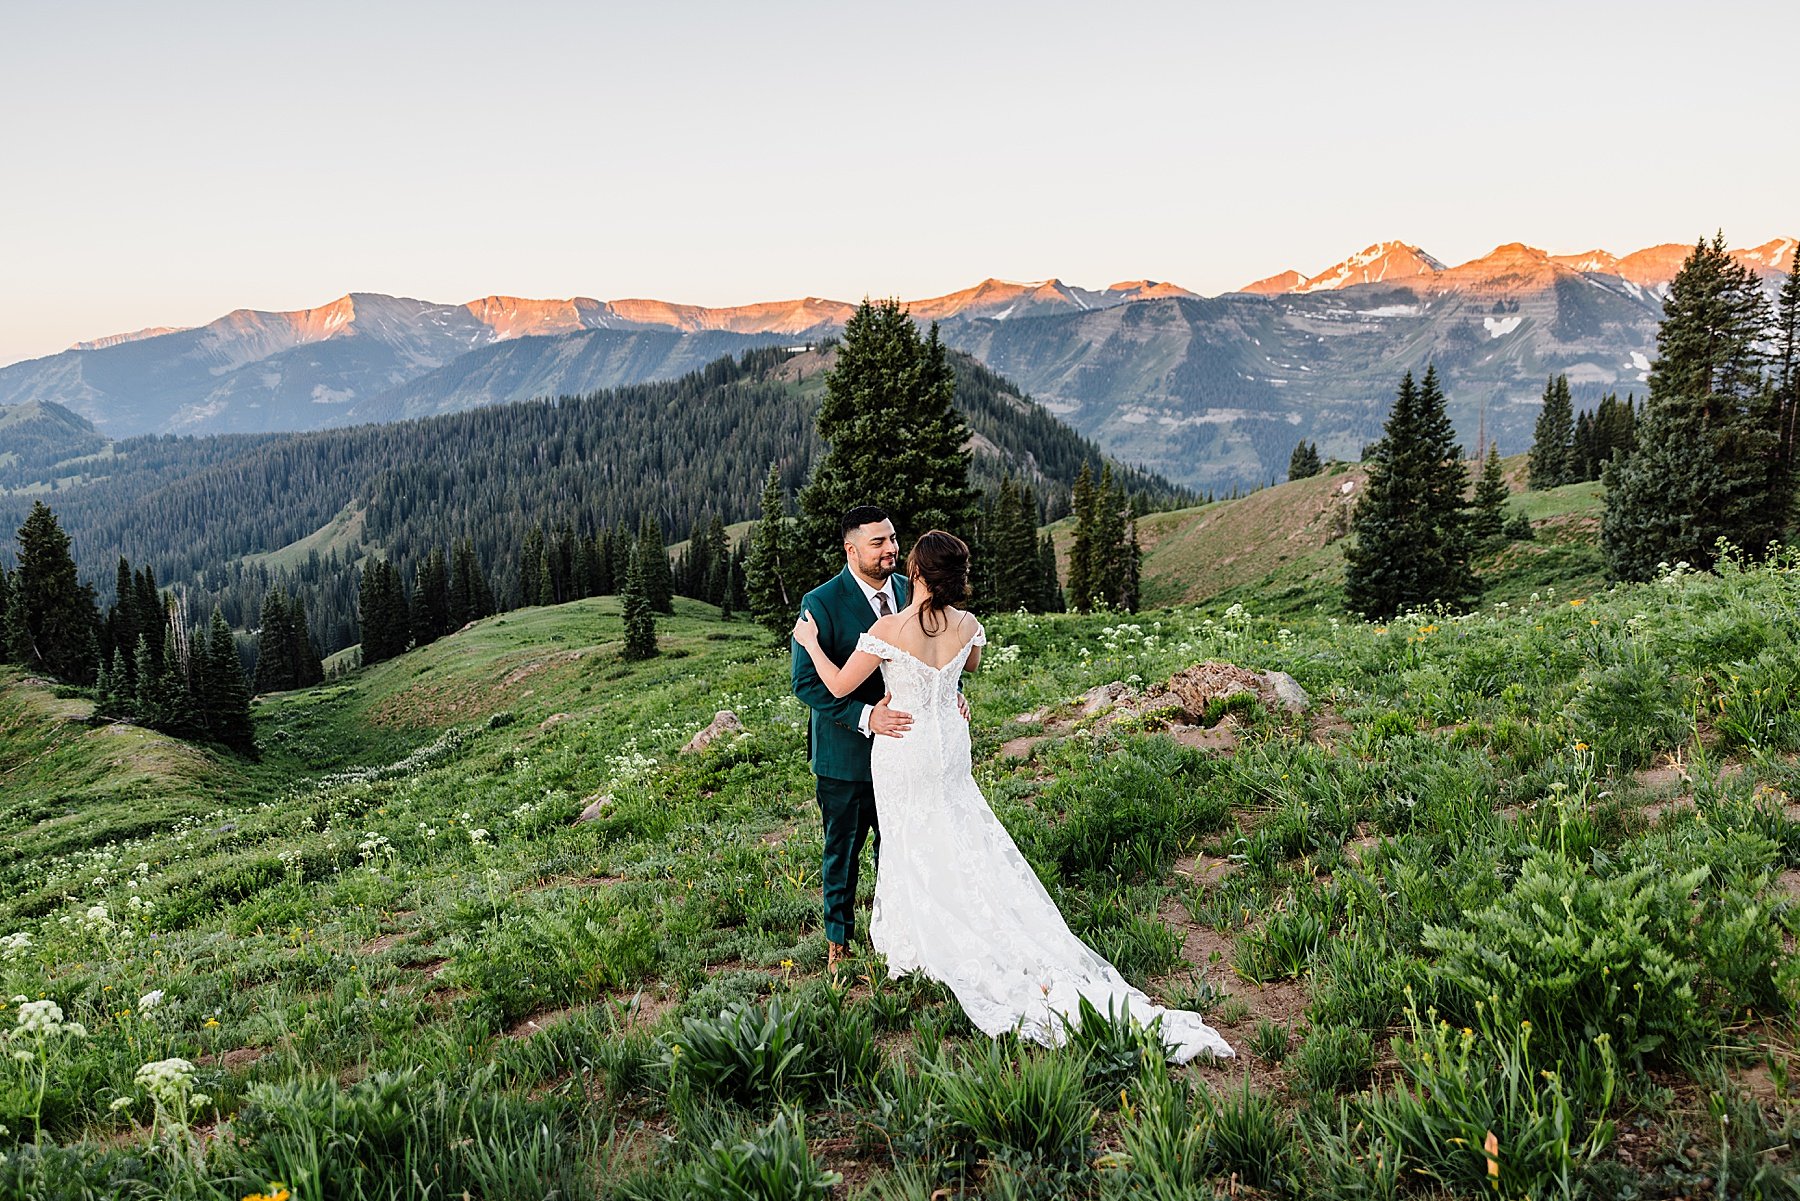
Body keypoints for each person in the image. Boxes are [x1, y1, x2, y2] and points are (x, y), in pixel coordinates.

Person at [792, 529, 1232, 1062]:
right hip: (948, 746)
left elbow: (838, 686)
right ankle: (963, 913)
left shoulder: (888, 628)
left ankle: (924, 931)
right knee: (954, 828)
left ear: (919, 575)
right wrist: (944, 689)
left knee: (912, 832)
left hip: (904, 747)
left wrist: (811, 644)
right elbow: (964, 667)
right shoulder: (969, 627)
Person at [790, 506, 967, 972]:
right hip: (846, 754)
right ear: (851, 550)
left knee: (910, 844)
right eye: (878, 543)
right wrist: (869, 717)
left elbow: (939, 650)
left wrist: (951, 696)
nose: (891, 549)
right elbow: (806, 683)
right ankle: (838, 943)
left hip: (913, 754)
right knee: (843, 850)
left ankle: (914, 934)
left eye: (892, 539)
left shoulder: (917, 589)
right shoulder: (821, 602)